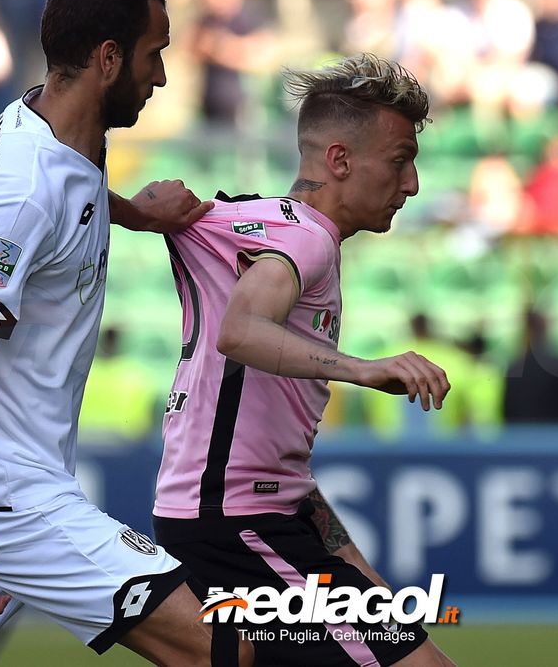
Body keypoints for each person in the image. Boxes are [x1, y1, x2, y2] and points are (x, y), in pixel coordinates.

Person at [0, 0, 251, 667]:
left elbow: (67, 195)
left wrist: (137, 214)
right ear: (108, 58)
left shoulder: (44, 120)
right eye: (154, 54)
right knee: (221, 648)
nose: (164, 77)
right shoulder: (21, 191)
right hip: (5, 498)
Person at [152, 53, 456, 666]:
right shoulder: (306, 238)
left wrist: (358, 575)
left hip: (242, 514)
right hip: (239, 523)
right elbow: (239, 331)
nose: (413, 184)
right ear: (339, 159)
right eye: (400, 162)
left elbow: (276, 454)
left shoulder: (264, 222)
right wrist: (364, 368)